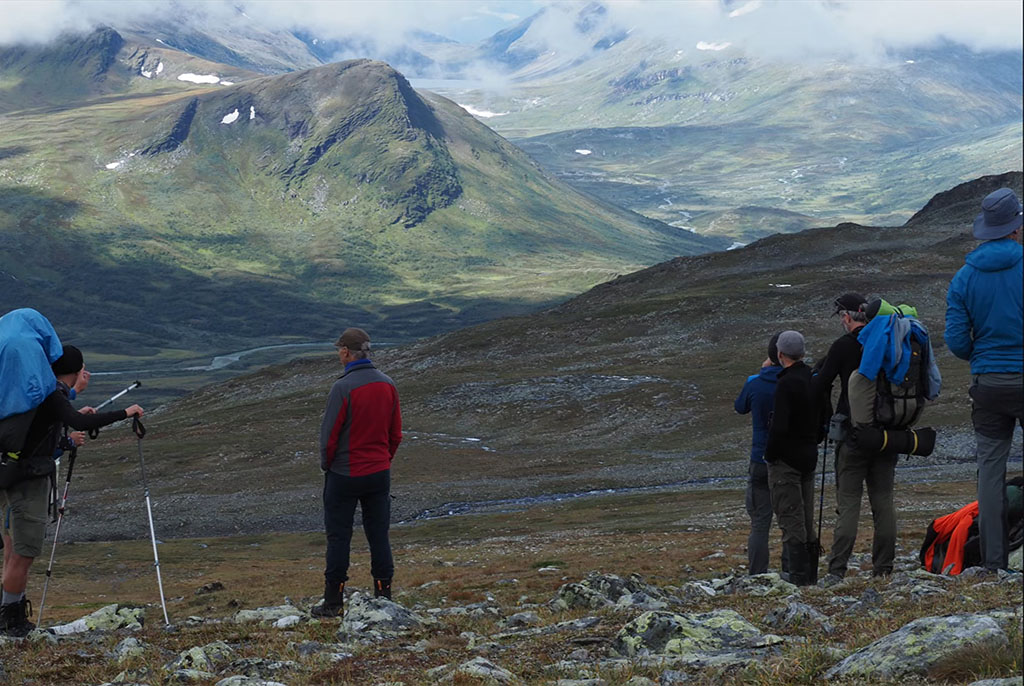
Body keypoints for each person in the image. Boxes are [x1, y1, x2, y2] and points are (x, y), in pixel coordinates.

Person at [1, 345, 143, 636]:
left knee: (11, 550)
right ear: (77, 371)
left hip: (9, 474)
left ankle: (8, 616)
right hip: (28, 481)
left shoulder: (37, 387)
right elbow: (77, 422)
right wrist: (126, 412)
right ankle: (10, 623)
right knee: (22, 553)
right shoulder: (52, 393)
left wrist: (73, 406)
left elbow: (47, 424)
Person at [945, 187, 1024, 572]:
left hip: (989, 384)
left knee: (991, 472)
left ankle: (994, 565)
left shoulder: (964, 278)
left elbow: (958, 342)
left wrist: (985, 355)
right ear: (1016, 227)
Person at [313, 328, 402, 617]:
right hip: (378, 473)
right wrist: (383, 459)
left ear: (345, 352)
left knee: (339, 537)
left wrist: (328, 465)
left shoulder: (343, 388)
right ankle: (384, 595)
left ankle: (333, 602)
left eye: (339, 350)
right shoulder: (388, 384)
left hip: (344, 474)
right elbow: (395, 434)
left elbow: (329, 437)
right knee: (379, 535)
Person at [764, 331, 820, 586]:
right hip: (809, 456)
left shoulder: (786, 383)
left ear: (780, 354)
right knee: (806, 517)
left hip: (786, 461)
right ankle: (810, 575)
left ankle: (795, 577)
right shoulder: (811, 378)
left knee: (790, 517)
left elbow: (780, 427)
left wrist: (770, 454)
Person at [735, 333, 782, 575]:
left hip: (760, 459)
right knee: (793, 521)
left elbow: (740, 406)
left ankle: (757, 574)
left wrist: (762, 371)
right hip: (790, 460)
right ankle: (797, 573)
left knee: (760, 522)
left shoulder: (755, 382)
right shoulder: (804, 380)